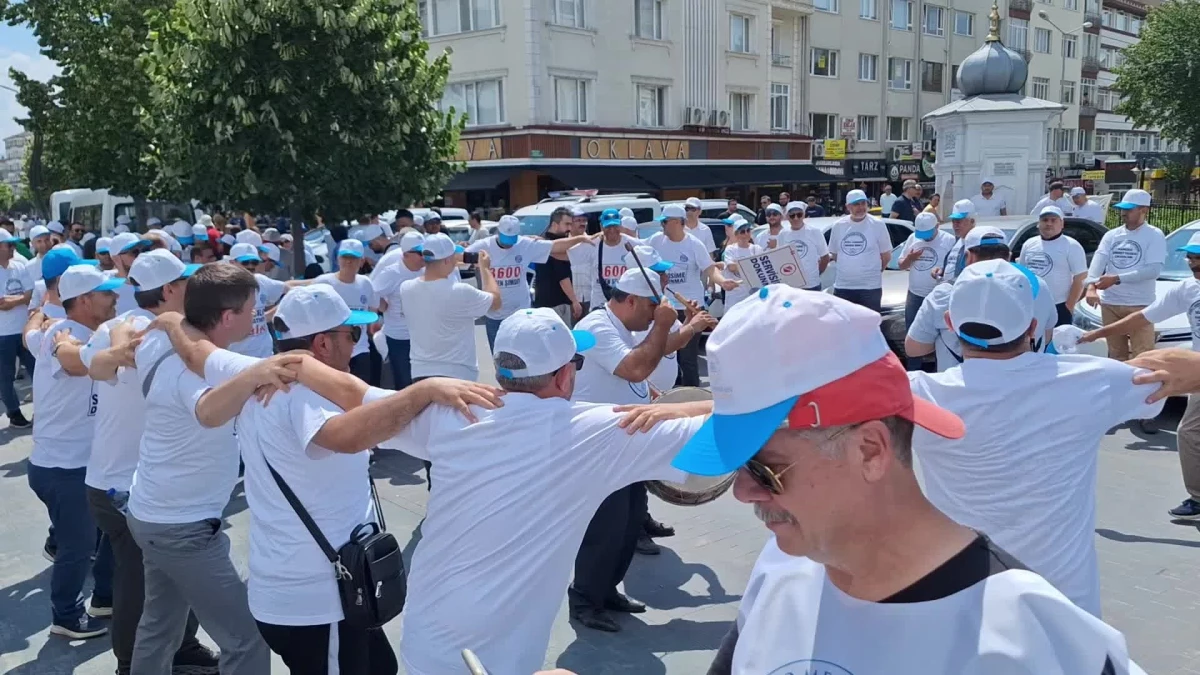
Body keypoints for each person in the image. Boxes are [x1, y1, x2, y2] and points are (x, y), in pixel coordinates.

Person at [669, 285, 1149, 675]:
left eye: (765, 469)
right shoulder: (781, 568)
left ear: (871, 451)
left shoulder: (1037, 644)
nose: (743, 492)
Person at [157, 286, 500, 675]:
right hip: (318, 603)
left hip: (321, 592)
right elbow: (346, 437)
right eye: (351, 334)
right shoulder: (300, 394)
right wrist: (422, 391)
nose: (360, 343)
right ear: (322, 343)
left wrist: (170, 321)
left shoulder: (261, 372)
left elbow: (200, 353)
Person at [372, 303, 709, 673]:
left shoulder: (449, 411)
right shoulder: (596, 432)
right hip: (499, 660)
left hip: (424, 640)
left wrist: (423, 389)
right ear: (565, 377)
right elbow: (735, 432)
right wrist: (684, 407)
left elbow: (355, 399)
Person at [906, 259, 1163, 618]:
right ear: (1030, 326)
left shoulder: (915, 394)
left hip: (963, 603)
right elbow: (1176, 373)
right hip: (1065, 609)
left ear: (950, 324)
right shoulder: (1093, 380)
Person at [80, 250, 219, 674]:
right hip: (123, 484)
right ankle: (129, 662)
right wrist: (121, 351)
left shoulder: (122, 329)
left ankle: (182, 646)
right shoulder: (135, 334)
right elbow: (95, 364)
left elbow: (90, 363)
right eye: (187, 282)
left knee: (174, 574)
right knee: (139, 582)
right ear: (172, 290)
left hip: (136, 481)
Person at [28, 264, 123, 639]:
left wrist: (36, 316)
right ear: (84, 300)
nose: (115, 297)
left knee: (107, 536)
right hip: (64, 468)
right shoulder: (69, 338)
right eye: (106, 292)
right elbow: (78, 362)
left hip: (74, 465)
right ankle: (66, 617)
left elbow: (29, 335)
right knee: (78, 548)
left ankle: (105, 597)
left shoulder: (61, 332)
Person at [1081, 230, 1200, 520]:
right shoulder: (1187, 289)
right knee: (1189, 432)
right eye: (1190, 257)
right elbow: (1143, 317)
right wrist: (1098, 333)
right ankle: (1197, 498)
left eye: (1199, 258)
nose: (1192, 263)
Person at [906, 226, 1056, 372]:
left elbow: (914, 348)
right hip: (1025, 388)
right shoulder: (1039, 287)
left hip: (959, 391)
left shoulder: (945, 293)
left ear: (968, 257)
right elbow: (1048, 335)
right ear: (1008, 256)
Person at [1084, 188, 1166, 433]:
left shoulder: (1154, 235)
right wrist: (1091, 286)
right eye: (1123, 210)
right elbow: (1098, 261)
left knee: (1145, 358)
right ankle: (1119, 408)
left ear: (1144, 210)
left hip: (1140, 305)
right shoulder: (1112, 235)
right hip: (1110, 303)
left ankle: (1147, 411)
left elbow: (1153, 270)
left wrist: (1117, 278)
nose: (1124, 215)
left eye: (1129, 211)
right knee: (1117, 357)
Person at [467, 212, 590, 349]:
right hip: (495, 316)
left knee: (524, 357)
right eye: (505, 239)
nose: (509, 245)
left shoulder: (524, 244)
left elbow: (556, 246)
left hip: (521, 314)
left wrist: (580, 239)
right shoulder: (483, 246)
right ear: (498, 232)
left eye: (512, 240)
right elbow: (460, 258)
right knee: (499, 357)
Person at [647, 204, 738, 386]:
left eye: (665, 222)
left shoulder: (694, 244)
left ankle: (691, 397)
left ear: (677, 222)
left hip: (691, 308)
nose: (662, 225)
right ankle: (671, 395)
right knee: (667, 356)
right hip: (666, 308)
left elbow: (709, 268)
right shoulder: (655, 241)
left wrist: (722, 282)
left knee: (687, 358)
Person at [401, 232, 499, 385]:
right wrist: (485, 269)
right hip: (457, 374)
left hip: (420, 374)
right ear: (447, 260)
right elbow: (496, 302)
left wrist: (451, 260)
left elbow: (436, 275)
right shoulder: (461, 292)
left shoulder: (406, 288)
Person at [314, 240, 380, 383]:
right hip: (332, 352)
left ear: (362, 261)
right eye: (345, 257)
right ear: (338, 259)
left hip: (360, 350)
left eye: (354, 258)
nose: (349, 262)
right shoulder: (323, 283)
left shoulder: (366, 283)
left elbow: (372, 311)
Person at [898, 212, 955, 368]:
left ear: (937, 226)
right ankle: (913, 372)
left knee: (941, 338)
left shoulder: (949, 241)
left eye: (928, 234)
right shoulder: (913, 239)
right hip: (915, 295)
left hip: (938, 298)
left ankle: (940, 370)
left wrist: (941, 271)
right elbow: (901, 264)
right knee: (913, 335)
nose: (925, 238)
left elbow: (952, 268)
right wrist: (910, 258)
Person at [372, 232, 426, 390]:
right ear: (406, 254)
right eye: (419, 253)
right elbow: (373, 293)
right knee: (405, 383)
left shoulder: (427, 269)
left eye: (425, 252)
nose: (424, 256)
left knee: (422, 381)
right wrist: (384, 308)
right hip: (399, 337)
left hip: (423, 336)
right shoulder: (392, 272)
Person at [1018, 205, 1088, 326]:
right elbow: (1023, 273)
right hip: (1032, 304)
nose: (1049, 223)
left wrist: (1069, 305)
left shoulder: (1071, 245)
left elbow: (1080, 277)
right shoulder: (1029, 244)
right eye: (1045, 220)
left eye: (1053, 220)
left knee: (1056, 342)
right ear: (1039, 223)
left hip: (1059, 306)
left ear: (1062, 224)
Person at [226, 242, 295, 357]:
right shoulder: (220, 288)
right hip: (236, 359)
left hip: (265, 355)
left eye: (254, 262)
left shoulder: (261, 281)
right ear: (232, 263)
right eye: (245, 262)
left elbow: (290, 291)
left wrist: (269, 315)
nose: (251, 266)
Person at [828, 189, 892, 313]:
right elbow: (835, 255)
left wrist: (874, 271)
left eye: (863, 203)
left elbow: (886, 256)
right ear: (848, 207)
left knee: (869, 328)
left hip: (870, 288)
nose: (861, 207)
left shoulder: (877, 225)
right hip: (843, 287)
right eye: (856, 204)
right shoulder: (838, 226)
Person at [0, 229, 35, 428]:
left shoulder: (19, 266)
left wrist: (17, 300)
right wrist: (20, 299)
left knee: (37, 371)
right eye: (9, 245)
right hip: (2, 335)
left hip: (24, 331)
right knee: (5, 377)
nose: (14, 248)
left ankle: (45, 411)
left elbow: (30, 293)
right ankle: (14, 412)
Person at [533, 212, 583, 327]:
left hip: (544, 302)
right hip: (557, 305)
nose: (569, 229)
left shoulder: (543, 241)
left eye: (571, 224)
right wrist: (575, 301)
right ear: (555, 224)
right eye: (567, 224)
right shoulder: (554, 245)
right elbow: (563, 277)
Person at [589, 210, 642, 311]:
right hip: (599, 306)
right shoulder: (592, 244)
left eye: (615, 226)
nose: (612, 230)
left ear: (621, 225)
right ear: (601, 227)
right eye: (608, 226)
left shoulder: (634, 245)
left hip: (625, 307)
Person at [772, 202, 830, 292]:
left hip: (812, 285)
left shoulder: (814, 232)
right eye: (792, 215)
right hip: (791, 286)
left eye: (799, 215)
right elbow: (780, 258)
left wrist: (816, 274)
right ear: (787, 217)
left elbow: (825, 257)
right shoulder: (783, 234)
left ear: (804, 215)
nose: (796, 218)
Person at [721, 221, 764, 309]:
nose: (746, 234)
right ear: (736, 235)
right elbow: (731, 267)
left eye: (748, 231)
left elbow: (761, 268)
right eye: (742, 232)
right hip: (734, 296)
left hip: (752, 295)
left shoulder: (757, 249)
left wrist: (740, 265)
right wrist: (751, 266)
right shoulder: (731, 249)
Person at [935, 199, 978, 284]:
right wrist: (941, 271)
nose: (955, 225)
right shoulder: (957, 241)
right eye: (953, 221)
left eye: (958, 221)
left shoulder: (978, 244)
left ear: (972, 221)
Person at [566, 210, 597, 318]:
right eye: (578, 220)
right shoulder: (563, 244)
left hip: (591, 299)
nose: (582, 223)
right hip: (569, 300)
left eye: (584, 220)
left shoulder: (594, 243)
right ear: (570, 223)